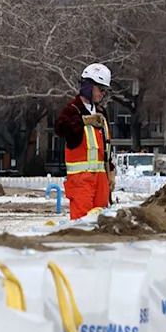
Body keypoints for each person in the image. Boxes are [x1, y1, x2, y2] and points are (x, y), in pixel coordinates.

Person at [54, 62, 115, 220]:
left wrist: (111, 172)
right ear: (88, 86)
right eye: (100, 89)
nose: (102, 94)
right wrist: (84, 121)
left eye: (104, 90)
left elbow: (106, 146)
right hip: (81, 180)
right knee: (82, 222)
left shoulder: (101, 111)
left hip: (101, 178)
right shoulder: (72, 109)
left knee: (101, 221)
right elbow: (60, 128)